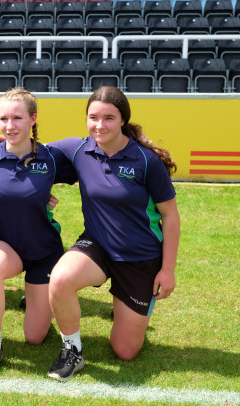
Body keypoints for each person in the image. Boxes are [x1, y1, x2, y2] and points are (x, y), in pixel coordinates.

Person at [45, 86, 180, 380]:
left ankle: (131, 307)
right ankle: (72, 351)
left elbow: (170, 216)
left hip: (140, 256)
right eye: (93, 117)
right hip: (97, 244)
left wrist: (167, 270)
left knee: (125, 350)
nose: (99, 125)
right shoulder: (79, 149)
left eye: (108, 118)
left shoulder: (145, 160)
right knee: (60, 279)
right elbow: (29, 151)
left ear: (122, 120)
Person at [0, 89, 76, 378]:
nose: (10, 125)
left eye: (17, 118)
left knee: (34, 337)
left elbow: (96, 150)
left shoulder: (53, 157)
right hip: (6, 247)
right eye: (3, 119)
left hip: (43, 251)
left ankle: (42, 302)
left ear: (33, 119)